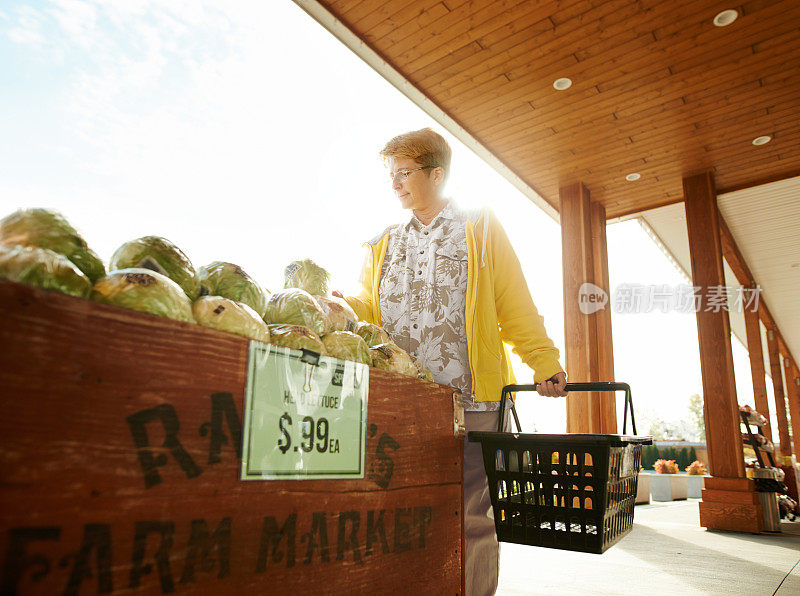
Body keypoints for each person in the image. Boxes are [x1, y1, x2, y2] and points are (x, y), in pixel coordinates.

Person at [342, 127, 567, 596]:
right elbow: (363, 307)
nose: (396, 183)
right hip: (402, 403)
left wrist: (543, 362)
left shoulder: (480, 227)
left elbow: (513, 301)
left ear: (436, 174)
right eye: (392, 175)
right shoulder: (380, 243)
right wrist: (332, 309)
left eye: (404, 173)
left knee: (472, 514)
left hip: (475, 399)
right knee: (396, 509)